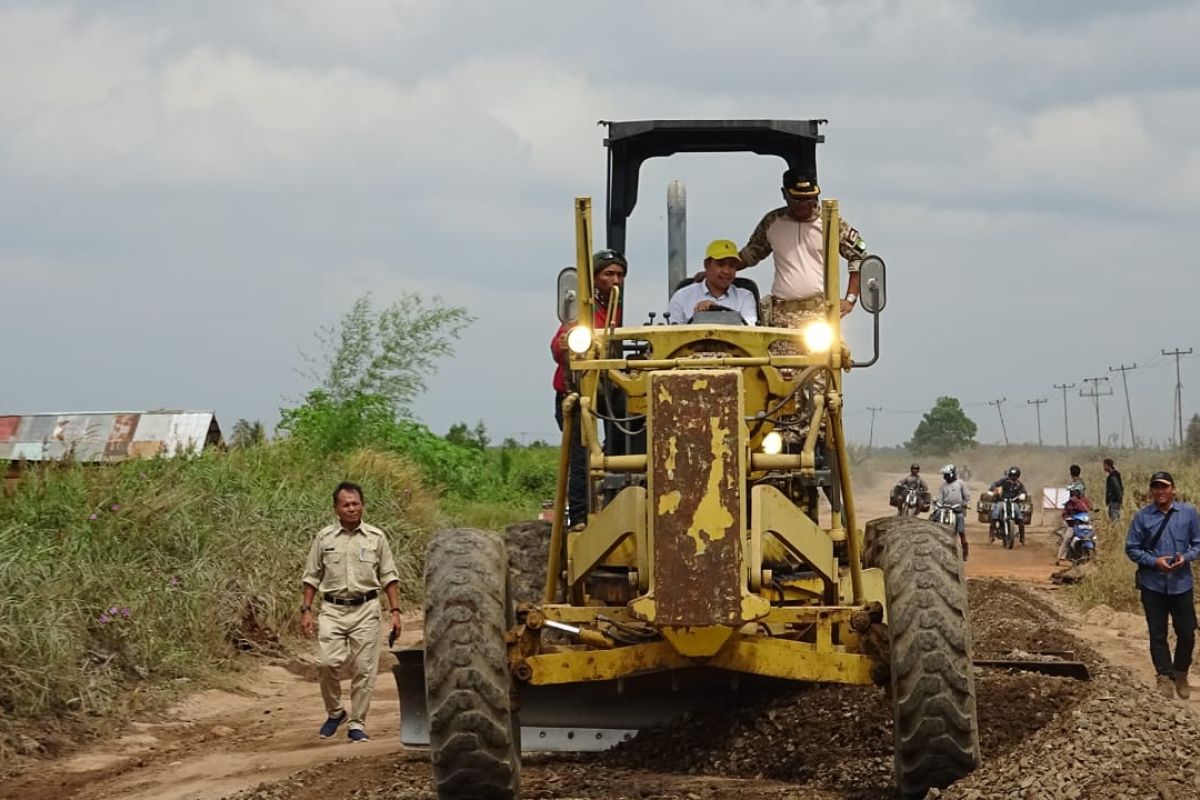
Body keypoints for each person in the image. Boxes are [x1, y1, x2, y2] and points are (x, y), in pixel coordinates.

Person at [301, 482, 402, 742]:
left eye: (356, 503)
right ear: (336, 508)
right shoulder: (324, 538)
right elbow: (311, 576)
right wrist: (306, 610)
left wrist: (395, 611)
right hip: (332, 609)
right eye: (346, 504)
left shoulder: (376, 538)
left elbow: (389, 577)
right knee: (326, 663)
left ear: (363, 506)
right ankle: (335, 712)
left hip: (366, 609)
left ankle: (357, 723)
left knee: (363, 668)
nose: (352, 508)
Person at [736, 167, 869, 338]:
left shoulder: (831, 223)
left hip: (819, 316)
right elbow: (750, 255)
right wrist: (714, 271)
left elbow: (859, 257)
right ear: (785, 195)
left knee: (823, 363)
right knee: (776, 364)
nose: (805, 205)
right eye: (798, 200)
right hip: (781, 317)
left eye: (809, 199)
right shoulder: (772, 222)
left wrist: (850, 299)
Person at [550, 249, 627, 527]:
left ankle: (620, 505)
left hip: (609, 391)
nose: (615, 279)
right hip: (578, 394)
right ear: (594, 278)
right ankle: (580, 518)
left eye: (619, 274)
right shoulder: (583, 309)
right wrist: (567, 344)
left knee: (625, 444)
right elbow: (560, 344)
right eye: (608, 274)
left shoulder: (614, 308)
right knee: (581, 456)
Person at [1125, 471, 1200, 699]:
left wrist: (1185, 558)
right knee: (1158, 633)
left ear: (1173, 489)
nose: (1160, 492)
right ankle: (1164, 676)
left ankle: (1180, 673)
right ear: (1151, 491)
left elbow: (1198, 544)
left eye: (1164, 487)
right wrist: (1154, 562)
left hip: (1181, 584)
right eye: (1156, 487)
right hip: (1153, 584)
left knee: (1187, 633)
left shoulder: (1188, 513)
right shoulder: (1142, 517)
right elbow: (1132, 548)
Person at [667, 239, 757, 325]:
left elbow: (751, 331)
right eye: (720, 264)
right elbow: (671, 335)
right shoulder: (682, 297)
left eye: (732, 266)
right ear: (706, 265)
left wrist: (713, 311)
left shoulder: (745, 297)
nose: (726, 271)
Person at [936, 464, 971, 561]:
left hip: (957, 510)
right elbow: (940, 498)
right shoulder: (943, 486)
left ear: (952, 474)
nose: (945, 477)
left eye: (947, 475)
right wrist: (937, 503)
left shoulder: (960, 483)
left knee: (961, 531)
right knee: (935, 517)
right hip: (944, 509)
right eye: (945, 475)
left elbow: (967, 497)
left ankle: (965, 552)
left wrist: (965, 503)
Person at [988, 466, 1028, 545]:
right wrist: (992, 490)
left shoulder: (1019, 484)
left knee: (1020, 517)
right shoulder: (1003, 481)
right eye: (1012, 476)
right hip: (1002, 501)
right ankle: (991, 536)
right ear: (1009, 475)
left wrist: (1022, 495)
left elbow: (1024, 491)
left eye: (1015, 476)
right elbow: (995, 484)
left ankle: (1022, 538)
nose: (1013, 478)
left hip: (1014, 502)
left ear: (1018, 476)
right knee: (995, 515)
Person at [1056, 486, 1093, 564]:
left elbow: (1088, 509)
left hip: (1085, 525)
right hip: (1073, 525)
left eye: (1075, 492)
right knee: (1067, 538)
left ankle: (1096, 556)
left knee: (1092, 537)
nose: (1073, 494)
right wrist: (1067, 518)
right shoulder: (1069, 503)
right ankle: (1060, 557)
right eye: (1072, 492)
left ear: (1079, 492)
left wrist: (1078, 502)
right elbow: (1064, 513)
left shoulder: (1085, 501)